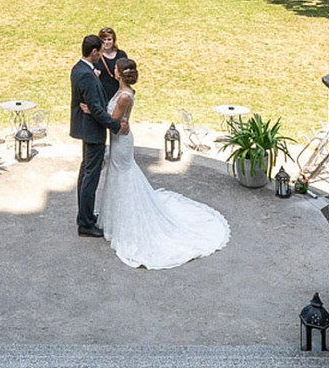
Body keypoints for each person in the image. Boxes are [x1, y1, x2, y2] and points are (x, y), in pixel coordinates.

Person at [96, 59, 230, 269]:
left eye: (115, 69)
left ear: (120, 74)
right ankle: (115, 219)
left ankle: (127, 222)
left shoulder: (124, 96)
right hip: (119, 140)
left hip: (121, 142)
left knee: (123, 176)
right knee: (118, 175)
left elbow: (113, 122)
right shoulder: (124, 91)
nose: (112, 70)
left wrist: (92, 112)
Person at [69, 34, 122, 238]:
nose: (102, 55)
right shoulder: (86, 75)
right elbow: (96, 110)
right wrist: (116, 125)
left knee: (86, 173)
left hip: (86, 128)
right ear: (93, 52)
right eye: (100, 52)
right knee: (90, 177)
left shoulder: (80, 69)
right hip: (92, 131)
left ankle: (85, 215)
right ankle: (85, 223)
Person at [96, 27, 129, 102]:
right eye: (104, 40)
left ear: (114, 40)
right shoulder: (96, 56)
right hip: (103, 94)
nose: (106, 42)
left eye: (109, 39)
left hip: (119, 92)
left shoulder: (121, 55)